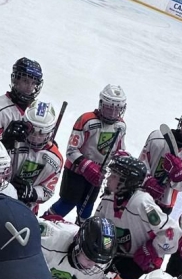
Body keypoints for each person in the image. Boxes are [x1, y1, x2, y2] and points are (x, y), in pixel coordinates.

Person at [44, 84, 127, 221]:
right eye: (109, 107)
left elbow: (119, 150)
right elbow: (71, 150)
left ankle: (81, 232)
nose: (113, 113)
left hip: (99, 174)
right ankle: (43, 223)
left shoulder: (121, 126)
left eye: (117, 109)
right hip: (76, 172)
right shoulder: (87, 120)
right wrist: (88, 166)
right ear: (101, 104)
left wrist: (123, 159)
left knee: (86, 209)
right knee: (67, 203)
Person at [94, 154, 179, 279]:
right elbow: (97, 223)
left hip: (139, 259)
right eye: (111, 173)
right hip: (115, 252)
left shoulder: (142, 202)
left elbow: (172, 231)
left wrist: (152, 250)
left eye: (115, 176)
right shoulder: (108, 198)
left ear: (128, 181)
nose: (109, 178)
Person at [139, 107, 182, 213]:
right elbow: (142, 161)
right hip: (140, 192)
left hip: (163, 205)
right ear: (181, 123)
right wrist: (147, 180)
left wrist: (178, 177)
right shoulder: (156, 137)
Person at [0, 99, 63, 213]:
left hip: (27, 210)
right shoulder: (13, 141)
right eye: (32, 131)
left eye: (41, 133)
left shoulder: (55, 159)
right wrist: (3, 144)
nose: (36, 137)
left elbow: (47, 190)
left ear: (50, 132)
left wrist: (32, 193)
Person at [39, 216, 117, 279]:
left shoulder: (99, 267)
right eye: (88, 258)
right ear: (77, 245)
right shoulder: (49, 240)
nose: (91, 265)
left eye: (98, 261)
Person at [0, 57, 43, 140]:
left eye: (33, 83)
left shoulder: (36, 111)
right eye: (25, 81)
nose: (29, 87)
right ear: (15, 79)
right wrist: (5, 140)